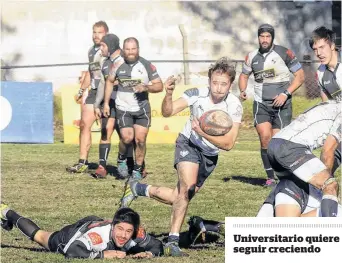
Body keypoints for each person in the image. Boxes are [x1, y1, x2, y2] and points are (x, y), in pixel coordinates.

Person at [120, 57, 243, 256]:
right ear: (209, 81)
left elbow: (228, 144)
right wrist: (168, 94)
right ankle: (172, 242)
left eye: (224, 84)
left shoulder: (234, 105)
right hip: (188, 144)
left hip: (210, 155)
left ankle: (138, 188)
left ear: (231, 84)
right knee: (186, 190)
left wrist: (203, 131)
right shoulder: (197, 94)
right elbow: (168, 112)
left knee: (178, 197)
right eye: (215, 83)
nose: (218, 88)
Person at [239, 24, 305, 187]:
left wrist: (285, 94)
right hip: (261, 105)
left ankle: (284, 175)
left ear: (272, 38)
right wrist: (242, 90)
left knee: (279, 143)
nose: (265, 40)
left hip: (282, 106)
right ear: (258, 38)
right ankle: (270, 178)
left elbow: (300, 76)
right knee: (265, 138)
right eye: (262, 36)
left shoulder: (284, 53)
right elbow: (243, 75)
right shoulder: (251, 56)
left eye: (268, 36)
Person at [0, 204, 164, 259]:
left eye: (128, 231)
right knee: (40, 235)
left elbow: (158, 245)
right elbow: (72, 252)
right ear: (113, 226)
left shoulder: (136, 233)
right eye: (120, 229)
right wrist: (102, 255)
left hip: (90, 222)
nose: (123, 235)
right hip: (68, 238)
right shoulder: (98, 236)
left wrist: (149, 254)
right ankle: (7, 211)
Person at [103, 37, 163, 180]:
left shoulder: (146, 65)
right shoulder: (117, 64)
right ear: (123, 50)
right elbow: (109, 81)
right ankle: (121, 158)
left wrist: (146, 87)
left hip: (142, 109)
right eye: (127, 49)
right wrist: (106, 103)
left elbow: (159, 86)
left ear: (138, 49)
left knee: (140, 140)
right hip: (123, 107)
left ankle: (137, 169)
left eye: (133, 49)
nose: (130, 52)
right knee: (126, 137)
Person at [66, 21, 109, 174]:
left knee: (112, 130)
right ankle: (82, 162)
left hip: (109, 92)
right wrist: (81, 90)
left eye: (99, 32)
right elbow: (91, 72)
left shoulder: (111, 50)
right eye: (94, 32)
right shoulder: (91, 51)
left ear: (106, 33)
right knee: (84, 125)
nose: (96, 35)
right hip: (93, 91)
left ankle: (133, 165)